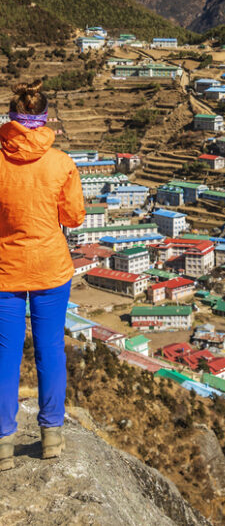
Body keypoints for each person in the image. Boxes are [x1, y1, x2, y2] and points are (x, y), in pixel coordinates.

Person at [0, 79, 85, 471]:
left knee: (5, 355)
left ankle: (3, 440)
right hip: (51, 267)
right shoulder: (61, 162)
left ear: (11, 117)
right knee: (50, 348)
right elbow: (74, 216)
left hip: (4, 270)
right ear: (44, 118)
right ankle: (51, 434)